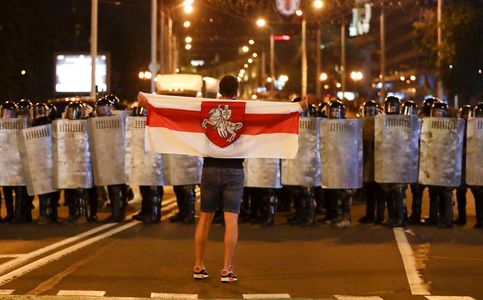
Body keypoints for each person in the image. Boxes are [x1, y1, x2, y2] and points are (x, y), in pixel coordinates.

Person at [137, 75, 307, 282]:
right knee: (231, 219)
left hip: (209, 169)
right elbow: (271, 114)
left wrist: (150, 103)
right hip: (234, 171)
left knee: (205, 217)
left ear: (219, 91)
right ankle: (227, 269)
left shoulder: (206, 107)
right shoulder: (245, 108)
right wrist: (297, 108)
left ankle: (198, 265)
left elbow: (177, 111)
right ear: (236, 91)